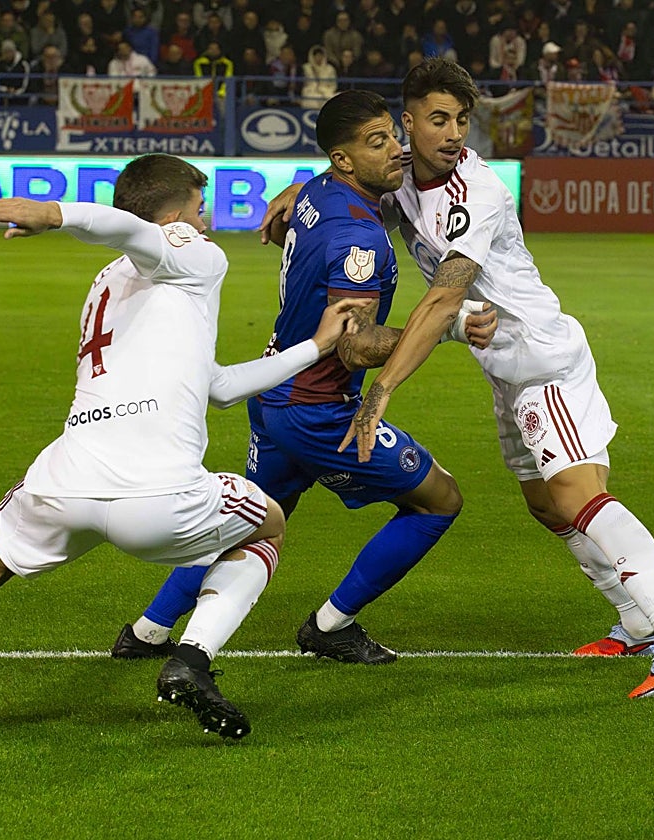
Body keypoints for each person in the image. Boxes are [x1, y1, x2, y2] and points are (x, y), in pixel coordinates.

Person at [0, 154, 364, 745]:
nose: (207, 223)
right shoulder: (192, 251)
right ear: (175, 214)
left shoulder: (106, 284)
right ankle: (193, 659)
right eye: (200, 210)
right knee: (268, 525)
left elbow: (217, 388)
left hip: (65, 481)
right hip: (158, 496)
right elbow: (136, 230)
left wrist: (314, 347)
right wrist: (52, 212)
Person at [270, 60, 654, 699]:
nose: (453, 133)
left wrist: (382, 391)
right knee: (545, 506)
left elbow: (443, 301)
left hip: (542, 359)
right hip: (505, 368)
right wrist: (299, 187)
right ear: (407, 123)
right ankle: (636, 621)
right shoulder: (398, 178)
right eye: (438, 119)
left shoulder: (478, 193)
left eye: (461, 121)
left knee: (575, 496)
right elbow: (344, 171)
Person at [110, 91, 497, 666]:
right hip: (318, 408)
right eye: (379, 142)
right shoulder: (358, 238)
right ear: (344, 160)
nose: (398, 150)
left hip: (274, 390)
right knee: (438, 500)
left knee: (246, 519)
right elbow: (356, 343)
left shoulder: (315, 190)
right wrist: (446, 328)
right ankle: (331, 625)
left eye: (393, 134)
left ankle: (146, 630)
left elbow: (312, 193)